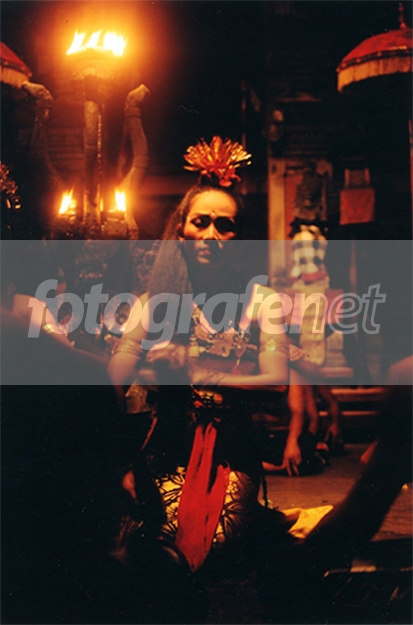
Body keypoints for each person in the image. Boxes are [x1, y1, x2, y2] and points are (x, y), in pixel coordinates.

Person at [108, 137, 290, 585]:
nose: (211, 235)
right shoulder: (154, 301)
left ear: (238, 237)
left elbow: (278, 379)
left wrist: (198, 372)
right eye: (201, 222)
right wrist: (119, 456)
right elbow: (114, 378)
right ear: (182, 230)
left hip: (231, 450)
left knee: (220, 545)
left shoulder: (262, 300)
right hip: (166, 445)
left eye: (225, 226)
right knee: (159, 542)